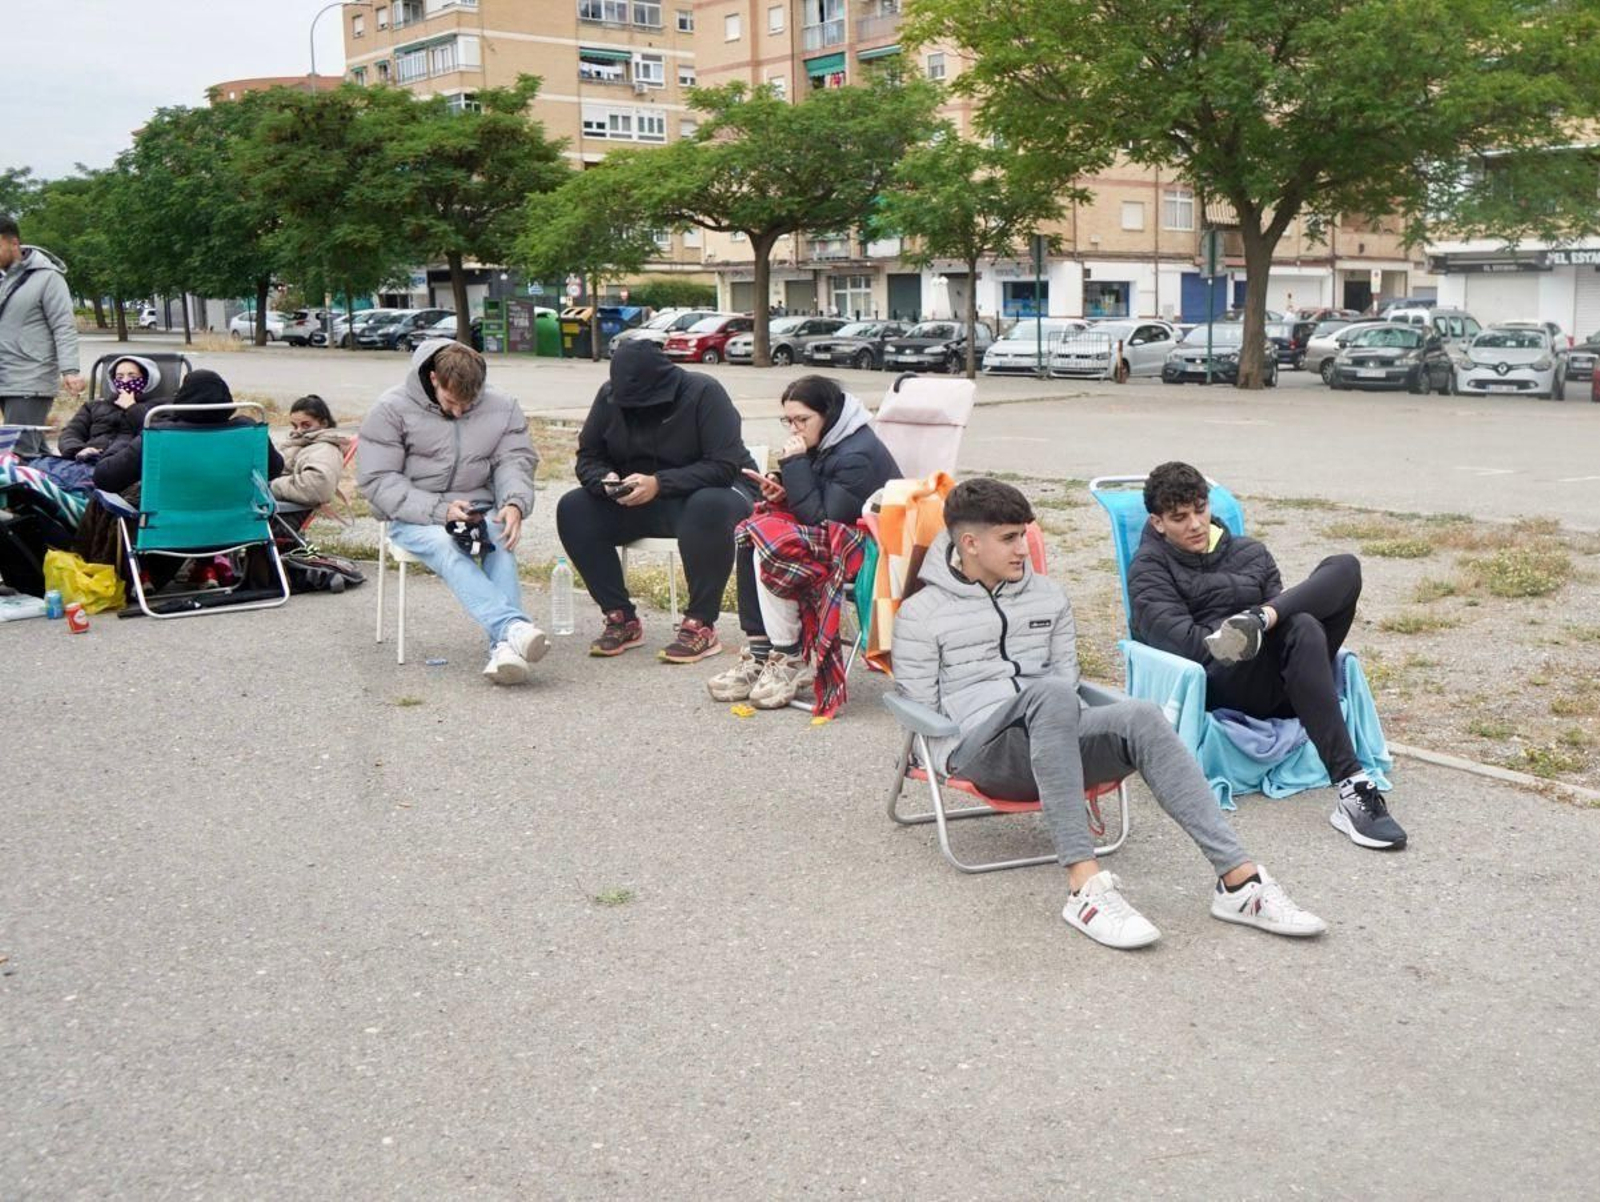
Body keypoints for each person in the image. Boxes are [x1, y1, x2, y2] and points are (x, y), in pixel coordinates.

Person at [893, 477, 1326, 950]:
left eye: (1024, 535)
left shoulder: (1049, 597)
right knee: (1050, 695)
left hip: (1054, 739)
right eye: (1010, 538)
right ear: (970, 543)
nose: (1024, 549)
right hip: (980, 754)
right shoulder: (921, 614)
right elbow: (921, 709)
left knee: (1139, 714)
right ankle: (1085, 888)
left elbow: (1068, 686)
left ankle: (1239, 883)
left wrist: (1077, 731)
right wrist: (948, 753)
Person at [1128, 460, 1406, 850]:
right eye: (1179, 518)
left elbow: (1292, 621)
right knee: (1300, 624)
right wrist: (1238, 635)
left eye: (1200, 510)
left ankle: (1260, 617)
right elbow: (1188, 646)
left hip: (1289, 676)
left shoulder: (1251, 552)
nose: (1195, 524)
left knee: (1342, 571)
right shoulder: (1148, 569)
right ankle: (1352, 782)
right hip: (1226, 681)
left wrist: (1262, 620)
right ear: (1157, 523)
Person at [358, 339, 546, 685]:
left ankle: (504, 648)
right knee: (445, 544)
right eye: (451, 402)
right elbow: (378, 480)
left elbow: (514, 460)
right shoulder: (390, 408)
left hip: (477, 508)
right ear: (433, 378)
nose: (459, 412)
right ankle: (511, 629)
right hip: (413, 515)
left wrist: (514, 502)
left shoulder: (503, 406)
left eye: (468, 404)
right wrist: (439, 511)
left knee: (500, 538)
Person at [557, 340, 758, 664]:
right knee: (574, 508)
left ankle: (701, 623)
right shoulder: (609, 396)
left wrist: (660, 483)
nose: (638, 410)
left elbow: (724, 465)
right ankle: (621, 617)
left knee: (707, 506)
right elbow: (589, 456)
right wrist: (605, 480)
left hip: (715, 493)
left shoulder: (704, 392)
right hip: (642, 497)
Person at [707, 375, 900, 710]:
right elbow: (817, 496)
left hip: (866, 545)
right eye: (789, 420)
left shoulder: (857, 454)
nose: (795, 429)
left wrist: (795, 464)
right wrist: (782, 483)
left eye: (802, 420)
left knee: (773, 546)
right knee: (750, 532)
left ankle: (790, 658)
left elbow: (820, 518)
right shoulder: (830, 438)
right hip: (835, 532)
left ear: (829, 414)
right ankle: (760, 651)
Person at [80, 368, 286, 591]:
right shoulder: (248, 431)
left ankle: (138, 572)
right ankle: (204, 568)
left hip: (168, 533)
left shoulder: (160, 436)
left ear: (182, 399)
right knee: (208, 494)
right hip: (234, 531)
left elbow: (105, 478)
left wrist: (122, 440)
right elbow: (274, 469)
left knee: (112, 500)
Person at [0, 215, 85, 456]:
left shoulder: (48, 277)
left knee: (19, 451)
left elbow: (63, 326)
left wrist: (70, 370)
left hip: (30, 376)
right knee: (32, 449)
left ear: (14, 243)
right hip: (5, 375)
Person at [272, 394, 350, 509]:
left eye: (306, 425)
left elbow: (317, 487)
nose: (298, 431)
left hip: (286, 509)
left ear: (324, 424)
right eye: (295, 426)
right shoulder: (303, 443)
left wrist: (270, 486)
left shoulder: (325, 449)